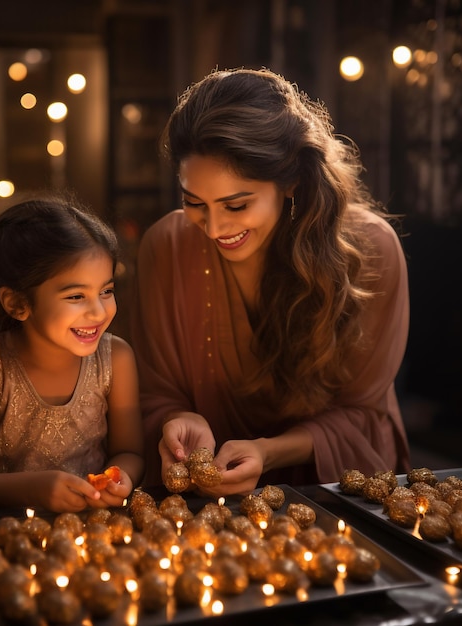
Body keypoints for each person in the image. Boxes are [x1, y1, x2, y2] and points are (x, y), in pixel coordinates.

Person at [131, 68, 411, 495]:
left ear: (292, 182)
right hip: (204, 498)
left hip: (335, 485)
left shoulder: (371, 251)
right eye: (194, 203)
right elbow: (153, 393)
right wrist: (176, 419)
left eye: (236, 205)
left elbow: (361, 414)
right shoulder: (166, 246)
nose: (213, 228)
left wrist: (269, 452)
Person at [0, 196, 144, 512]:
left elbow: (130, 452)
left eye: (106, 291)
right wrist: (31, 490)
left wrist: (121, 478)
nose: (98, 311)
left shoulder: (116, 359)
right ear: (18, 304)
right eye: (76, 296)